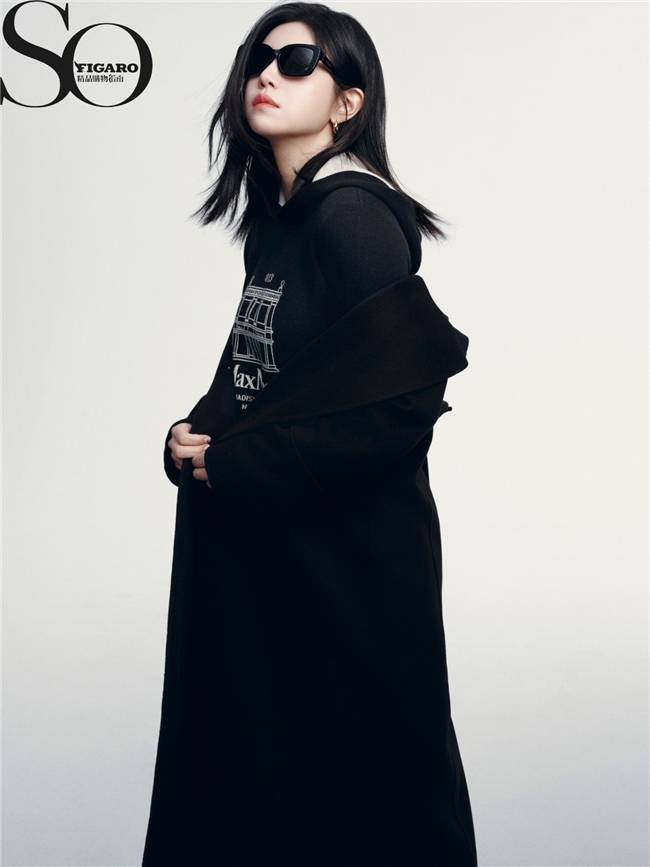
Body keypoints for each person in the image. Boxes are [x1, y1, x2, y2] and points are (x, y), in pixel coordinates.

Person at [142, 4, 478, 865]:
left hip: (346, 571)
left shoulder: (352, 216)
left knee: (360, 799)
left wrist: (236, 460)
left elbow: (400, 402)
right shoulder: (281, 219)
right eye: (258, 57)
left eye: (298, 62)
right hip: (271, 559)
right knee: (261, 791)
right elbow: (268, 376)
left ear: (346, 103)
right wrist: (194, 431)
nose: (267, 73)